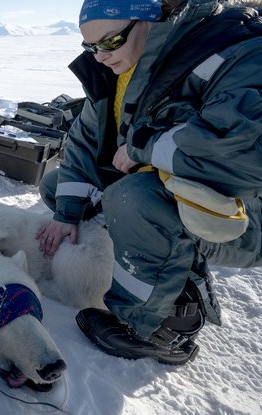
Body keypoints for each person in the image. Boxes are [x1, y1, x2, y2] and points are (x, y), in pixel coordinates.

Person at [36, 0, 262, 365]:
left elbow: (245, 150)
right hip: (169, 187)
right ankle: (140, 250)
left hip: (241, 210)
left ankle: (159, 329)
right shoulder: (122, 66)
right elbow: (82, 141)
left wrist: (143, 146)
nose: (99, 57)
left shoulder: (237, 47)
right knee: (58, 186)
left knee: (133, 198)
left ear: (149, 17)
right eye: (90, 47)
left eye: (108, 42)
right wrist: (66, 213)